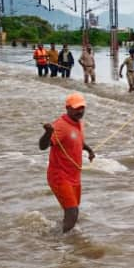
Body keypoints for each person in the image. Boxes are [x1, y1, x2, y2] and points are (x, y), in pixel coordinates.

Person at [38, 93, 95, 233]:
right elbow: (42, 146)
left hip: (74, 176)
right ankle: (60, 244)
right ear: (67, 108)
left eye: (82, 108)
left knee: (72, 211)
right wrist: (47, 133)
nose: (80, 111)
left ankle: (57, 234)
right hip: (59, 176)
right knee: (73, 213)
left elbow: (77, 140)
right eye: (76, 108)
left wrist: (89, 150)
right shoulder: (60, 126)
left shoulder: (78, 123)